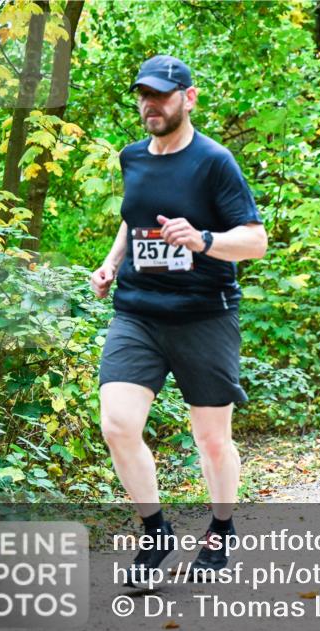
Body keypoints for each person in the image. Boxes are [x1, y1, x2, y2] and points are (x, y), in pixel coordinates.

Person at [89, 55, 267, 585]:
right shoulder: (131, 157)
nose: (150, 105)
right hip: (138, 313)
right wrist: (111, 263)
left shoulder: (214, 162)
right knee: (117, 424)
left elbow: (255, 240)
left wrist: (203, 239)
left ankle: (221, 528)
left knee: (211, 439)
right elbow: (133, 219)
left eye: (161, 95)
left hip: (203, 315)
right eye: (143, 95)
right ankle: (156, 531)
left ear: (188, 99)